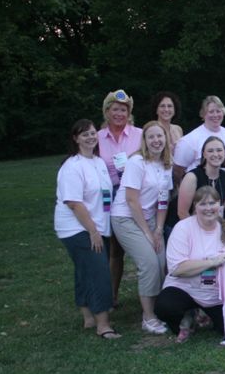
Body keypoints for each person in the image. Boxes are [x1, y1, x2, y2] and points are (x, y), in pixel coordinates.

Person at [155, 186, 225, 339]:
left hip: (216, 295)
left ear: (219, 206)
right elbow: (177, 268)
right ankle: (185, 319)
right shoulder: (183, 228)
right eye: (203, 204)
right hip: (185, 288)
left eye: (212, 203)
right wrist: (211, 262)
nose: (208, 208)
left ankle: (205, 315)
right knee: (165, 306)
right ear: (195, 207)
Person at [54, 119, 120, 339]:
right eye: (85, 134)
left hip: (98, 225)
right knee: (99, 271)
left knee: (85, 270)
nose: (90, 137)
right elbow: (74, 203)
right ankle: (104, 324)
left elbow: (105, 196)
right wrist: (93, 231)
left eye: (93, 133)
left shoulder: (99, 162)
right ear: (76, 139)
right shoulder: (72, 166)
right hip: (77, 227)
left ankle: (88, 318)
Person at [110, 121, 173, 334]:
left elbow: (163, 201)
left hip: (152, 219)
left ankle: (160, 308)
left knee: (162, 261)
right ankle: (148, 317)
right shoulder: (137, 162)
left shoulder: (166, 164)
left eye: (160, 136)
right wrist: (147, 233)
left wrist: (158, 229)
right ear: (144, 141)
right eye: (151, 137)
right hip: (126, 218)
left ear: (166, 138)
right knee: (149, 263)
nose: (156, 141)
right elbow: (131, 200)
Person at [97, 89, 143, 308]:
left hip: (135, 193)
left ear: (129, 112)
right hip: (107, 195)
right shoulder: (97, 137)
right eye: (115, 109)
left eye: (123, 110)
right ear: (107, 111)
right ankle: (111, 296)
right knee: (114, 249)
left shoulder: (140, 135)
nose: (119, 114)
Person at [172, 95, 225, 184]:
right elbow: (177, 171)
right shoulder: (190, 139)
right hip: (200, 190)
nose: (215, 115)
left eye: (218, 111)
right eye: (211, 112)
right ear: (203, 114)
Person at [176, 136, 225, 220]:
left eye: (219, 150)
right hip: (188, 225)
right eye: (210, 151)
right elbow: (182, 213)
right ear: (204, 154)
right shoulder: (191, 177)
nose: (215, 154)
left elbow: (221, 210)